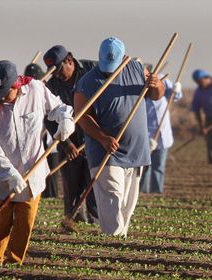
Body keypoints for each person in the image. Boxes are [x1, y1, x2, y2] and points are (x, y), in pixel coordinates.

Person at [0, 60, 75, 264]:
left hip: (32, 173)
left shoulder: (36, 89)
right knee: (0, 223)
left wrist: (66, 119)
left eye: (5, 92)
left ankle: (14, 262)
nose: (1, 97)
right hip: (0, 177)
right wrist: (10, 174)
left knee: (25, 222)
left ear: (16, 85)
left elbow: (58, 107)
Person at [74, 37, 164, 236]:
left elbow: (157, 95)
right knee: (112, 197)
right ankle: (113, 240)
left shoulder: (137, 69)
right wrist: (103, 137)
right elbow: (81, 116)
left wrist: (156, 84)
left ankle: (120, 239)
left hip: (135, 150)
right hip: (105, 151)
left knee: (127, 203)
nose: (109, 70)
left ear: (123, 57)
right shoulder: (87, 82)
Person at [43, 45, 99, 222]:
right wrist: (66, 144)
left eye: (59, 69)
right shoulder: (51, 86)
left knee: (94, 187)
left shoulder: (92, 70)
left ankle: (97, 223)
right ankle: (73, 222)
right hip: (70, 143)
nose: (57, 74)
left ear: (69, 60)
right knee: (72, 188)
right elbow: (49, 119)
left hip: (94, 139)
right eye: (53, 72)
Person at [140, 64, 183, 194]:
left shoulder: (161, 80)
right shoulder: (138, 87)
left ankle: (157, 191)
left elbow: (175, 96)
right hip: (146, 135)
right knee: (145, 167)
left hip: (163, 133)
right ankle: (143, 192)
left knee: (159, 166)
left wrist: (177, 90)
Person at [24, 62, 58, 199]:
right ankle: (40, 194)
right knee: (36, 169)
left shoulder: (46, 89)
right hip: (35, 139)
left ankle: (52, 195)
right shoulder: (26, 93)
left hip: (50, 138)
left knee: (51, 169)